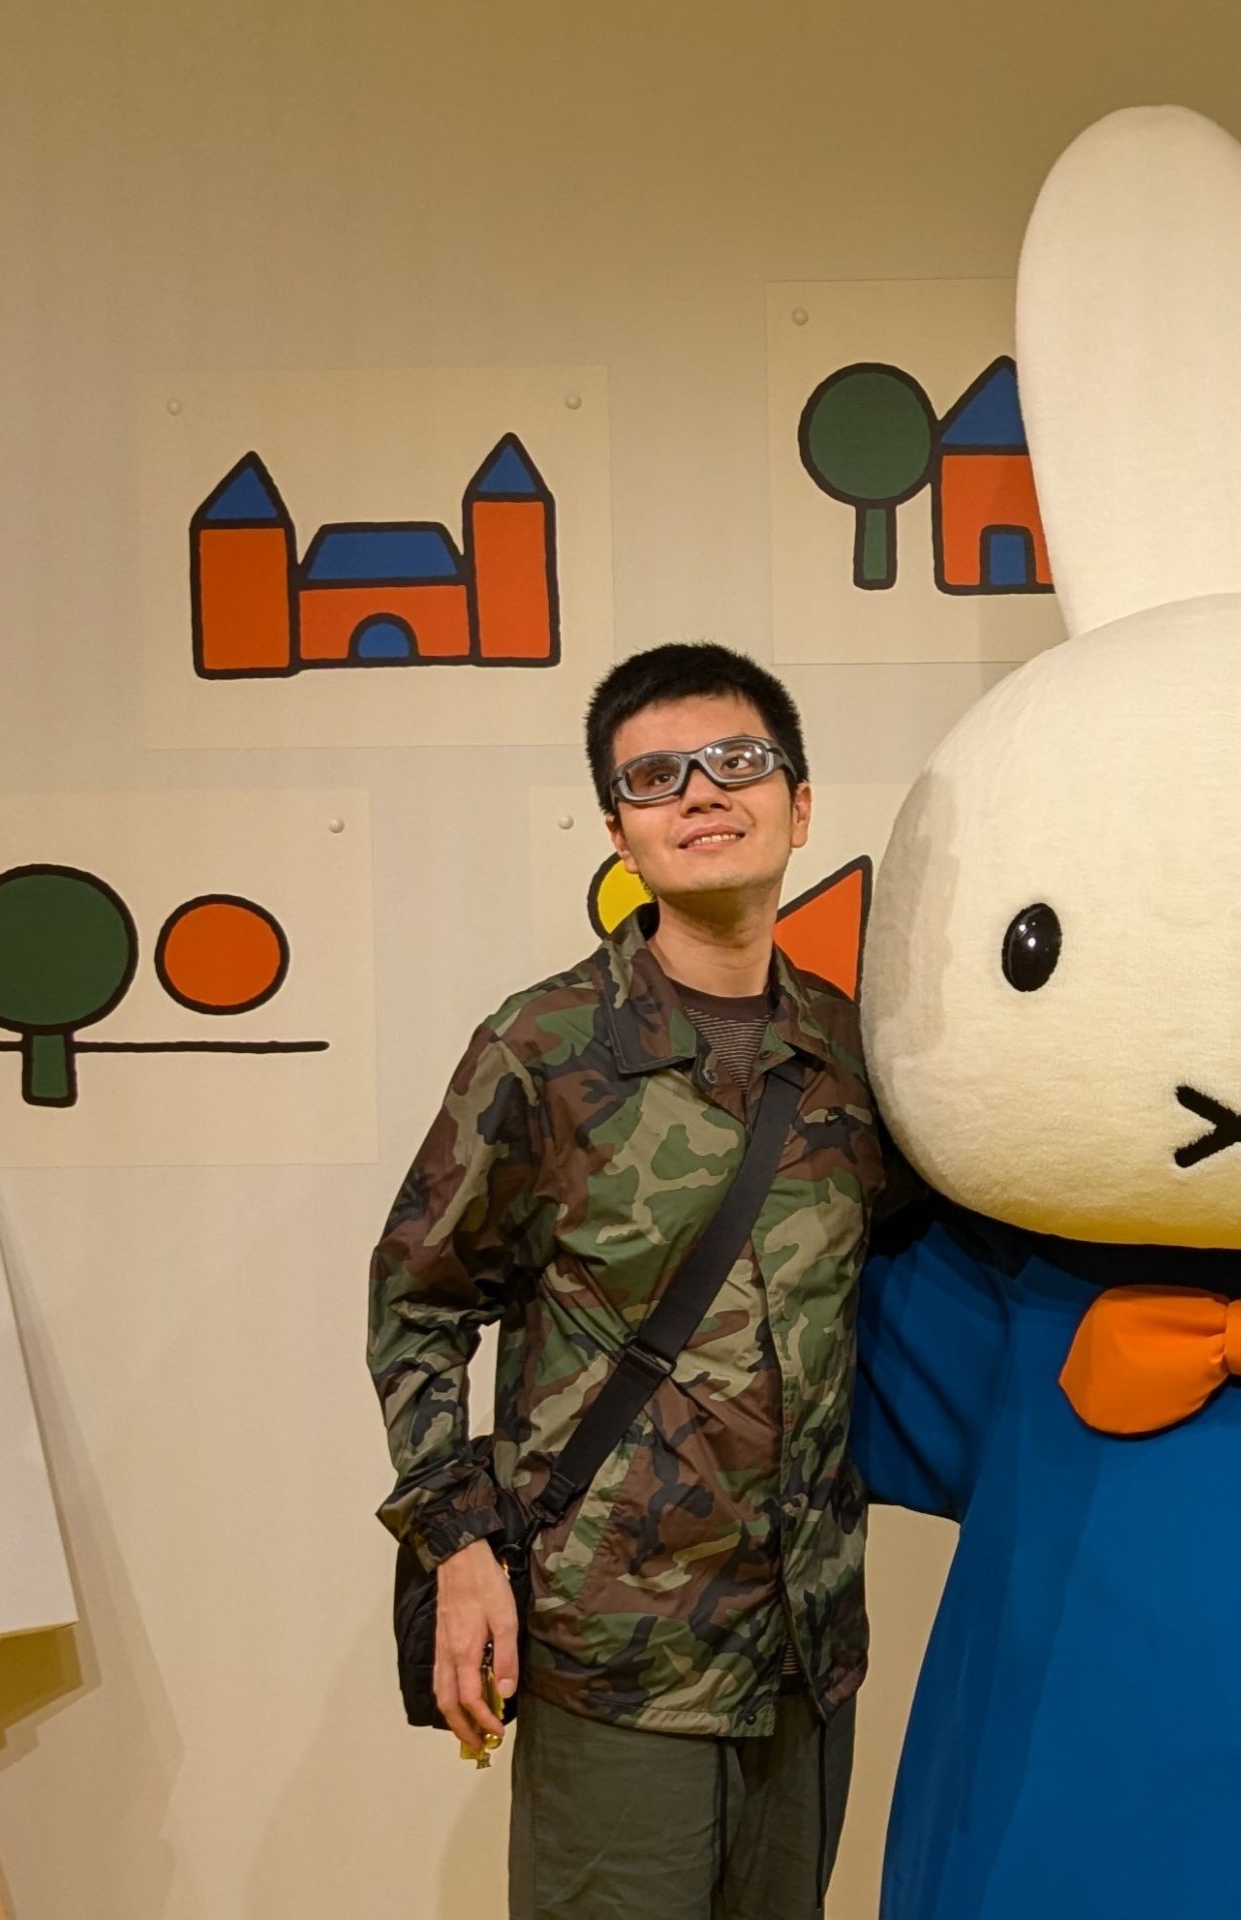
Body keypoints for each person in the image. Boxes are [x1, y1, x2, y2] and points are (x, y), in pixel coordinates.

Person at [369, 643, 893, 1919]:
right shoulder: (545, 1048)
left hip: (804, 1647)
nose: (700, 792)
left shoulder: (849, 1050)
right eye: (656, 777)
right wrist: (459, 1548)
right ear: (620, 831)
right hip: (615, 1648)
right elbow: (419, 1305)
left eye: (736, 762)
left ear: (798, 805)